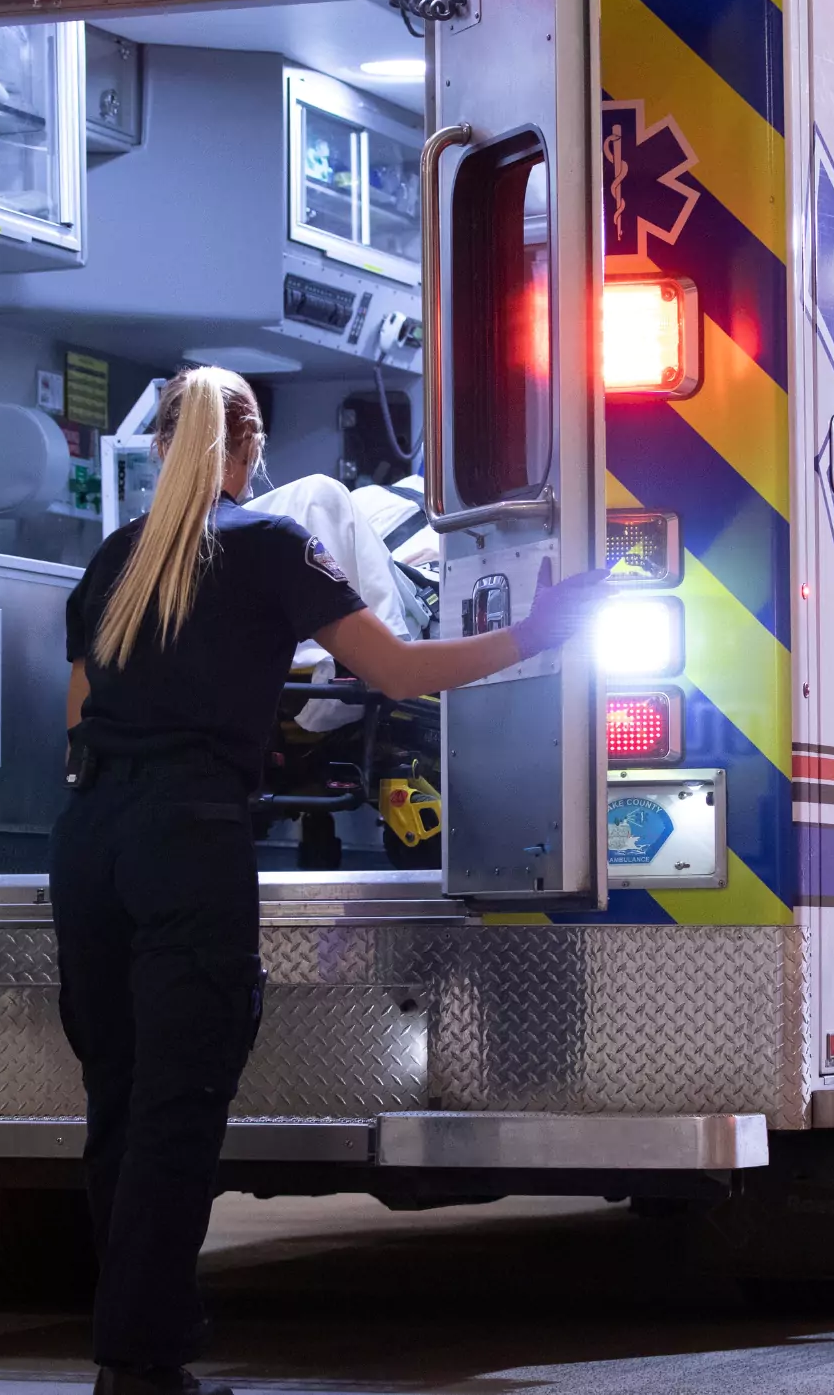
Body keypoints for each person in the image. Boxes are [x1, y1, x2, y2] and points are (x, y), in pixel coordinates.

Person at [55, 366, 608, 1395]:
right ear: (248, 453)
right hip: (187, 838)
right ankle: (141, 1361)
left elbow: (79, 713)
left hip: (91, 838)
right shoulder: (270, 548)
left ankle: (133, 1340)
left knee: (119, 1103)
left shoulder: (116, 559)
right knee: (179, 1105)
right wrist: (540, 634)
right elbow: (395, 674)